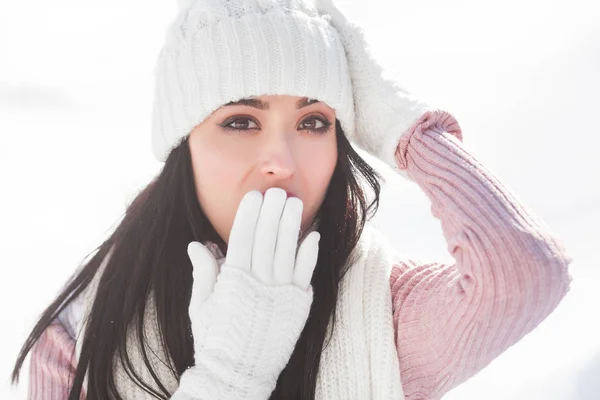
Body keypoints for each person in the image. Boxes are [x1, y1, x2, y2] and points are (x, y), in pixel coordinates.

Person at [11, 0, 573, 398]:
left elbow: (526, 274)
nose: (281, 157)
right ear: (184, 147)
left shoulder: (386, 310)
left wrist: (403, 127)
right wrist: (230, 378)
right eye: (240, 120)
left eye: (312, 121)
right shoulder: (83, 333)